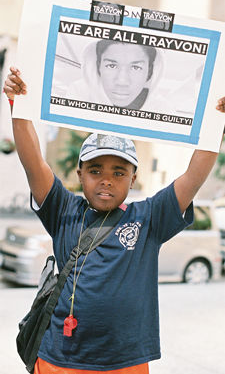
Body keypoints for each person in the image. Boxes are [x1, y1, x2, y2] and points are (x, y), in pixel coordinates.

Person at [3, 67, 225, 374]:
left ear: (133, 179)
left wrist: (217, 124)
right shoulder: (62, 209)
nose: (106, 180)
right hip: (58, 360)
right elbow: (32, 161)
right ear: (79, 175)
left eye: (118, 172)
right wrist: (19, 106)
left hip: (125, 364)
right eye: (95, 170)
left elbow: (192, 178)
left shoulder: (149, 218)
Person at [66, 39, 175, 113]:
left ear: (149, 73)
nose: (122, 81)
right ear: (99, 67)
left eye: (135, 68)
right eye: (112, 66)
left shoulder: (164, 110)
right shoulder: (79, 94)